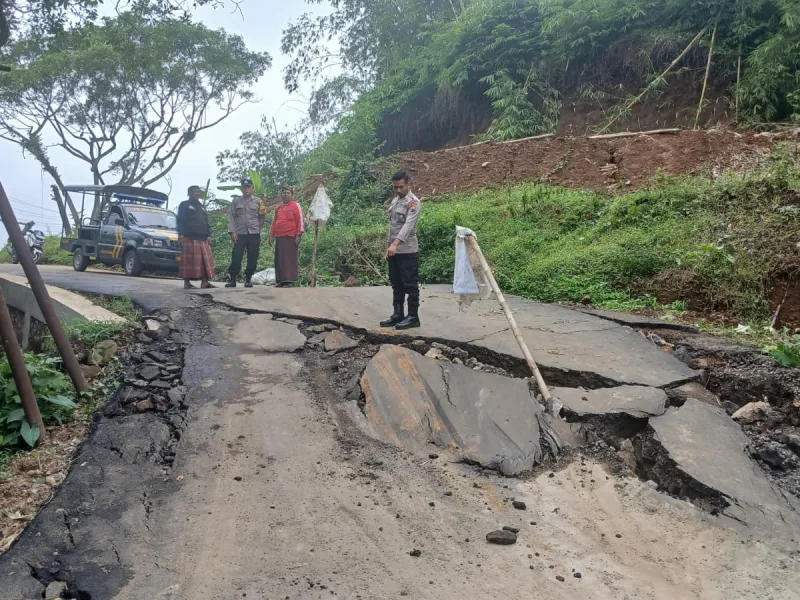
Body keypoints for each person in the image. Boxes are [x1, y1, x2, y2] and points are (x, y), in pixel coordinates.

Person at [380, 171, 422, 329]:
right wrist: (389, 246)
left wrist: (395, 244)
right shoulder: (396, 200)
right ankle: (398, 314)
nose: (398, 190)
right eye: (395, 187)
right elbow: (393, 226)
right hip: (394, 250)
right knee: (396, 283)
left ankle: (413, 317)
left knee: (410, 284)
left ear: (409, 184)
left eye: (401, 187)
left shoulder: (414, 203)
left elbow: (407, 226)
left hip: (408, 250)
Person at [226, 178, 265, 288]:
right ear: (241, 189)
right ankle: (232, 279)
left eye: (248, 187)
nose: (246, 189)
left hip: (254, 234)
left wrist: (258, 227)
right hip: (240, 233)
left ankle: (248, 279)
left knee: (253, 256)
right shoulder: (236, 201)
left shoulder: (258, 201)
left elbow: (262, 216)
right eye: (244, 187)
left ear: (252, 189)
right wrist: (232, 231)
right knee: (236, 256)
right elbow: (232, 217)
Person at [176, 185, 215, 289]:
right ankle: (187, 283)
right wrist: (180, 234)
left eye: (199, 191)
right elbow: (180, 220)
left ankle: (205, 282)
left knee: (204, 262)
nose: (197, 193)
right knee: (188, 261)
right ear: (189, 193)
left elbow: (206, 222)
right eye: (195, 191)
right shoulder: (184, 205)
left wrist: (209, 235)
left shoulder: (201, 206)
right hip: (190, 237)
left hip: (203, 238)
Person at [269, 185, 304, 287]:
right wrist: (271, 235)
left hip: (291, 236)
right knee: (280, 259)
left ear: (292, 195)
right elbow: (274, 222)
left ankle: (289, 281)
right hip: (279, 237)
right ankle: (280, 280)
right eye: (284, 193)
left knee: (289, 259)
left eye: (288, 193)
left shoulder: (295, 206)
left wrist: (299, 235)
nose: (286, 195)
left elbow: (300, 220)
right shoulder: (278, 208)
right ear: (281, 195)